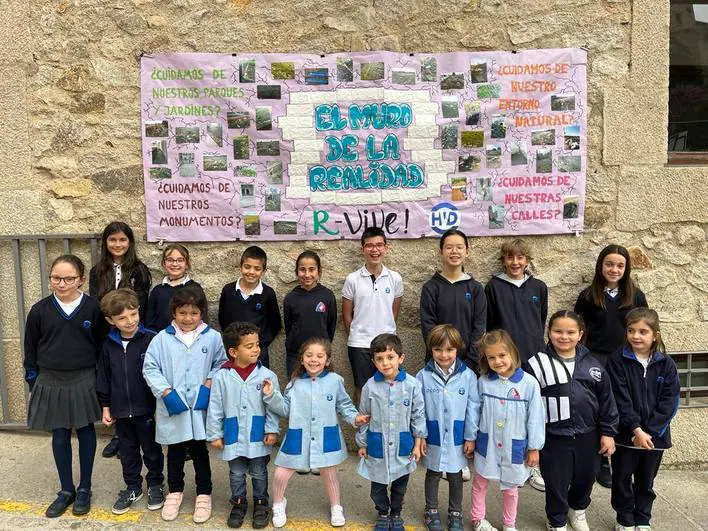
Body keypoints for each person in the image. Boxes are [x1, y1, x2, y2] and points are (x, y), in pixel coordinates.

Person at [24, 255, 107, 517]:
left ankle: (84, 488)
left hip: (84, 376)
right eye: (56, 278)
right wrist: (33, 378)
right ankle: (66, 490)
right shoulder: (39, 310)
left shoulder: (93, 308)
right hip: (50, 378)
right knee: (59, 433)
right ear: (50, 279)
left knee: (85, 431)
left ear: (81, 279)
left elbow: (102, 344)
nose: (61, 284)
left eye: (69, 278)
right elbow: (31, 347)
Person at [526, 311, 619, 531]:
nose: (564, 337)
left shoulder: (593, 364)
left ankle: (577, 510)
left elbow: (607, 400)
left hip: (588, 434)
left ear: (580, 335)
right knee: (556, 481)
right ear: (549, 333)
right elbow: (527, 404)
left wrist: (608, 432)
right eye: (558, 331)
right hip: (554, 435)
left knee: (586, 477)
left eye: (570, 332)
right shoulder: (535, 364)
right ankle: (557, 519)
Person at [263, 337, 369, 528]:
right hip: (298, 438)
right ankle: (279, 504)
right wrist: (271, 395)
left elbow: (344, 405)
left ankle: (336, 506)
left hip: (324, 438)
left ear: (327, 360)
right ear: (302, 359)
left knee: (329, 474)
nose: (314, 359)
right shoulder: (294, 384)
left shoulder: (335, 381)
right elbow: (285, 409)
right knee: (280, 474)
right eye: (309, 355)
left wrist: (355, 418)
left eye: (320, 356)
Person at [142, 286, 227, 523]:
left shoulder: (212, 338)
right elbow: (150, 367)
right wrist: (165, 392)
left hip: (199, 404)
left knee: (200, 451)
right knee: (176, 451)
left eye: (193, 313)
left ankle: (203, 493)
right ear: (174, 313)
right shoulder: (161, 339)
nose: (188, 319)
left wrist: (209, 384)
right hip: (173, 405)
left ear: (202, 314)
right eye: (182, 313)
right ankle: (175, 491)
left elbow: (221, 363)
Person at [574, 244, 647, 488]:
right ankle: (603, 460)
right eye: (609, 264)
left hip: (625, 360)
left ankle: (622, 457)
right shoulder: (588, 295)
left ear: (626, 268)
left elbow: (643, 327)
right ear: (600, 266)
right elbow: (579, 329)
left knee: (623, 404)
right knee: (600, 408)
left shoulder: (635, 296)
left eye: (619, 265)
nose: (614, 269)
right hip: (596, 359)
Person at [607, 308, 679, 531]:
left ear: (654, 335)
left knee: (646, 480)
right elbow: (620, 398)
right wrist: (636, 429)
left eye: (642, 331)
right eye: (631, 330)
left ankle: (643, 518)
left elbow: (670, 401)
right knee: (621, 478)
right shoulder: (617, 360)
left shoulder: (666, 364)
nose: (636, 336)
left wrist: (650, 431)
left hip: (654, 438)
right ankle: (625, 518)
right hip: (626, 435)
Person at [484, 238, 548, 492]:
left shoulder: (539, 287)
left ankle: (533, 465)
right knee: (505, 413)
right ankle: (504, 464)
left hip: (532, 357)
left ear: (527, 260)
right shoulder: (493, 287)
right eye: (510, 258)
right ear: (503, 260)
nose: (515, 262)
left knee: (531, 412)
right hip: (504, 360)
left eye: (520, 258)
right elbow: (490, 324)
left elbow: (540, 320)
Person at [206, 322, 281, 529]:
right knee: (236, 472)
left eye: (257, 344)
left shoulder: (267, 375)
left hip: (258, 433)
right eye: (249, 346)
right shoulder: (221, 376)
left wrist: (272, 429)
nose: (256, 349)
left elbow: (272, 408)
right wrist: (214, 434)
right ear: (233, 351)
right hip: (232, 433)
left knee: (259, 471)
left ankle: (260, 503)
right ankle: (238, 503)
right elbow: (215, 407)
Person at [96, 289, 165, 515]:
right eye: (122, 318)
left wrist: (159, 407)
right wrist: (106, 406)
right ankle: (133, 487)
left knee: (152, 450)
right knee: (127, 451)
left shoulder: (152, 339)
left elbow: (162, 375)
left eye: (133, 314)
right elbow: (104, 377)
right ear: (111, 320)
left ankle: (155, 485)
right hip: (120, 409)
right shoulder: (108, 345)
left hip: (147, 409)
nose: (130, 321)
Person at [471, 330, 545, 531]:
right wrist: (470, 437)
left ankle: (509, 524)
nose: (498, 361)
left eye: (502, 355)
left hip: (514, 446)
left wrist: (534, 448)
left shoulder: (529, 384)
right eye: (491, 357)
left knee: (511, 488)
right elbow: (473, 412)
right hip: (488, 444)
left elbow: (536, 418)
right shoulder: (484, 382)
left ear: (513, 353)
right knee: (480, 482)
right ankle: (478, 518)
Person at [90, 221, 152, 459]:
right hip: (109, 334)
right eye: (113, 240)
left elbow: (142, 303)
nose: (118, 244)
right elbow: (96, 302)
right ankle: (119, 434)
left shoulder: (139, 270)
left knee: (133, 380)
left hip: (132, 333)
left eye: (122, 240)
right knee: (114, 381)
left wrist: (134, 328)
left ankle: (139, 431)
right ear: (106, 243)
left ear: (130, 242)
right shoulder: (98, 271)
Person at [356, 333, 427, 531]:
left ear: (401, 358)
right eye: (379, 359)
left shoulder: (412, 385)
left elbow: (418, 415)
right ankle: (383, 512)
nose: (385, 363)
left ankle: (396, 513)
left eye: (390, 357)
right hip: (377, 446)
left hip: (403, 446)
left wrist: (418, 443)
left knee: (400, 485)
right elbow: (364, 416)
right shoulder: (370, 386)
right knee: (377, 486)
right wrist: (362, 443)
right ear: (373, 362)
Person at [416, 325, 480, 531]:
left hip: (457, 435)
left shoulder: (468, 376)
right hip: (432, 433)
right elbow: (418, 409)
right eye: (438, 350)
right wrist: (421, 435)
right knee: (433, 472)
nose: (444, 355)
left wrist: (470, 437)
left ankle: (455, 512)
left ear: (457, 349)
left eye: (449, 350)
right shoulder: (422, 376)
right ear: (431, 350)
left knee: (455, 474)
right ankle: (431, 510)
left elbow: (473, 407)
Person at [342, 227, 404, 401]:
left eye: (379, 245)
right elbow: (347, 316)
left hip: (387, 344)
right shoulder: (352, 279)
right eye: (369, 246)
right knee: (361, 389)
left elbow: (394, 310)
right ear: (362, 249)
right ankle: (364, 427)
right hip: (359, 343)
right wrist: (356, 334)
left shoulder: (395, 278)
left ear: (386, 248)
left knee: (388, 386)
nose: (374, 250)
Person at [420, 228, 486, 373]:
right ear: (441, 252)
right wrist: (441, 357)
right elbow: (428, 327)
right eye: (449, 247)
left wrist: (470, 361)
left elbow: (479, 327)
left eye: (459, 247)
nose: (454, 251)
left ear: (467, 252)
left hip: (469, 365)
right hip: (438, 362)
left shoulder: (475, 288)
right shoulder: (431, 288)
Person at [218, 246, 282, 368]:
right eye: (247, 267)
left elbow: (275, 325)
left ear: (263, 271)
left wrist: (259, 344)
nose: (251, 272)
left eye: (257, 268)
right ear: (240, 266)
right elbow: (223, 319)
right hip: (234, 353)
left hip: (258, 354)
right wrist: (233, 342)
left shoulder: (267, 294)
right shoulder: (228, 291)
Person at [283, 250, 337, 378]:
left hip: (320, 355)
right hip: (295, 355)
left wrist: (323, 349)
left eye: (312, 269)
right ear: (297, 272)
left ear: (319, 271)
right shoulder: (291, 298)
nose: (307, 274)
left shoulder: (327, 296)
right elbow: (288, 326)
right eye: (302, 270)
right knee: (296, 390)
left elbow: (331, 325)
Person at [147, 244, 205, 332]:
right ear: (163, 263)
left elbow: (201, 317)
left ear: (187, 264)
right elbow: (150, 321)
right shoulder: (157, 290)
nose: (174, 264)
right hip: (162, 340)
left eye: (180, 260)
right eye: (170, 260)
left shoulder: (195, 288)